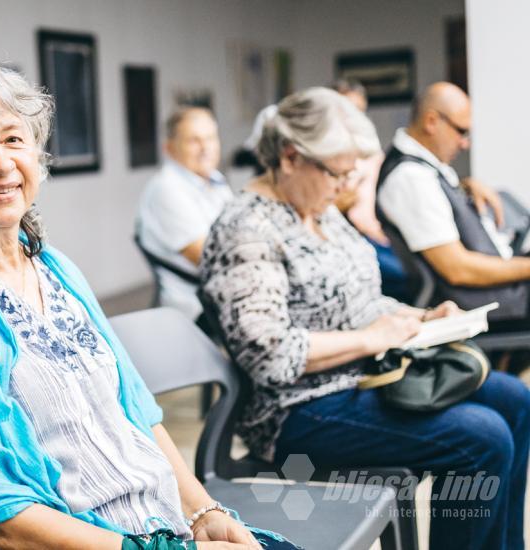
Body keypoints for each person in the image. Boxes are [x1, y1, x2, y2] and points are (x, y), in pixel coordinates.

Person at [0, 60, 296, 550]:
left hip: (164, 529)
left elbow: (136, 411)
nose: (0, 163)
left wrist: (202, 510)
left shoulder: (55, 268)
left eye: (14, 140)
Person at [200, 87, 530, 550]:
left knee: (516, 398)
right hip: (298, 410)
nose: (346, 184)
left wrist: (418, 315)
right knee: (483, 438)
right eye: (338, 172)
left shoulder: (317, 211)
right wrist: (371, 339)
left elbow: (361, 300)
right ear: (292, 158)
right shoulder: (247, 230)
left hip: (365, 376)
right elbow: (271, 355)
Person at [377, 82, 530, 322]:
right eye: (461, 131)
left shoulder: (425, 170)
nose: (464, 143)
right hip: (487, 303)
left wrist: (465, 185)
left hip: (502, 289)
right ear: (431, 122)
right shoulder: (410, 179)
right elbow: (457, 268)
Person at [136, 107, 233, 320]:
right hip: (197, 305)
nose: (205, 147)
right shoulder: (166, 188)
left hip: (224, 292)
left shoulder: (214, 180)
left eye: (210, 138)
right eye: (194, 141)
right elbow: (210, 257)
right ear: (169, 148)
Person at [329, 78, 408, 301]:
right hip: (358, 238)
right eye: (348, 111)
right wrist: (335, 206)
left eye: (360, 111)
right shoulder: (322, 163)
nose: (355, 119)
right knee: (404, 276)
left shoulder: (374, 155)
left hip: (387, 236)